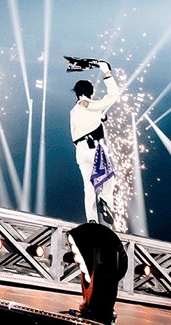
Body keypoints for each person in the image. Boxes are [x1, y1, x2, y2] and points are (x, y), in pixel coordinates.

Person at [70, 59, 120, 226]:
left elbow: (78, 129)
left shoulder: (74, 111)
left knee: (89, 186)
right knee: (109, 178)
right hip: (95, 149)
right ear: (90, 92)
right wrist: (107, 73)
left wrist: (100, 117)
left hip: (80, 152)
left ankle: (91, 219)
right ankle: (105, 201)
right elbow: (113, 95)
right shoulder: (91, 105)